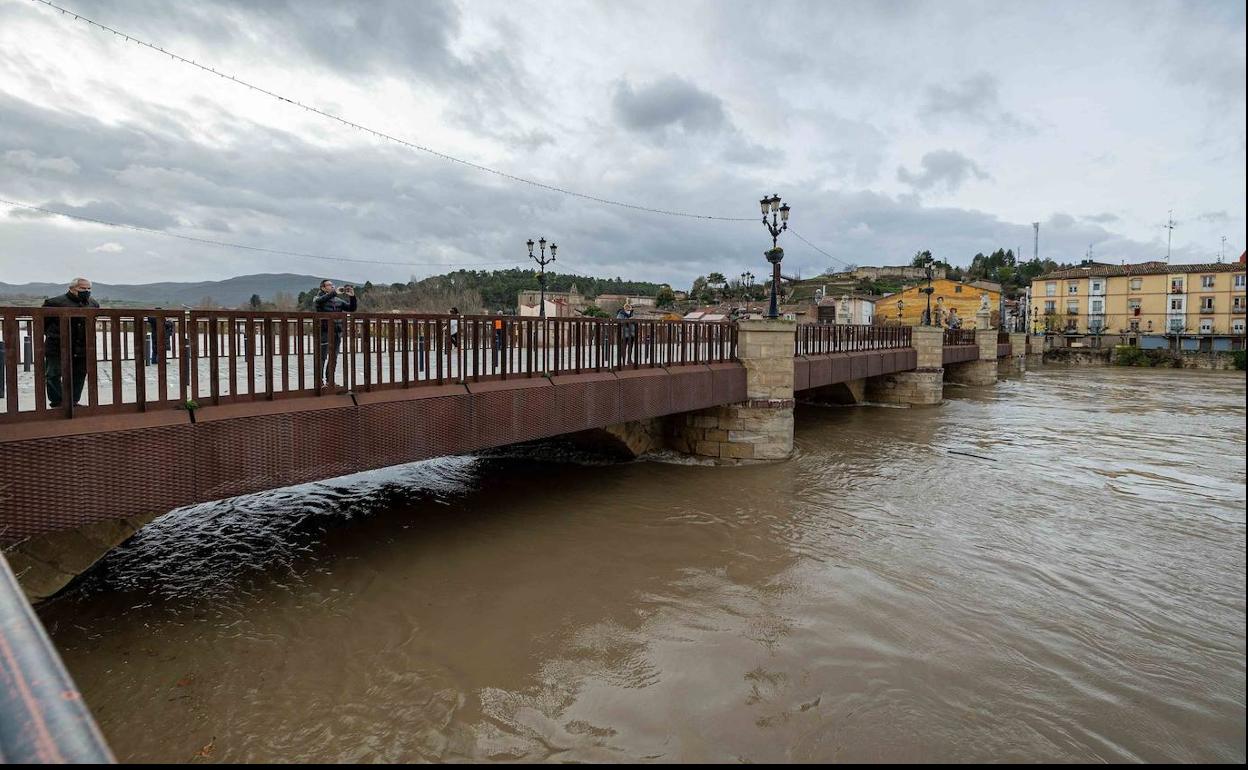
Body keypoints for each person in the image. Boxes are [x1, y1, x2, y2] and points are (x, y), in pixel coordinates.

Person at [42, 277, 99, 408]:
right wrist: (55, 336)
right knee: (53, 374)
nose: (86, 291)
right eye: (82, 288)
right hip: (57, 346)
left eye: (89, 288)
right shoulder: (54, 302)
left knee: (79, 373)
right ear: (72, 289)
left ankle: (73, 402)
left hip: (82, 347)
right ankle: (58, 402)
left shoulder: (93, 304)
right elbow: (44, 324)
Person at [313, 279, 356, 386]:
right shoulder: (318, 298)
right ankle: (319, 382)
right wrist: (335, 292)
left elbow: (352, 308)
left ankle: (330, 381)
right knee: (322, 357)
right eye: (329, 285)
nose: (332, 286)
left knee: (334, 357)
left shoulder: (338, 300)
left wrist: (352, 296)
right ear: (322, 288)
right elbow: (319, 301)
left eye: (333, 285)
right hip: (324, 332)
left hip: (337, 332)